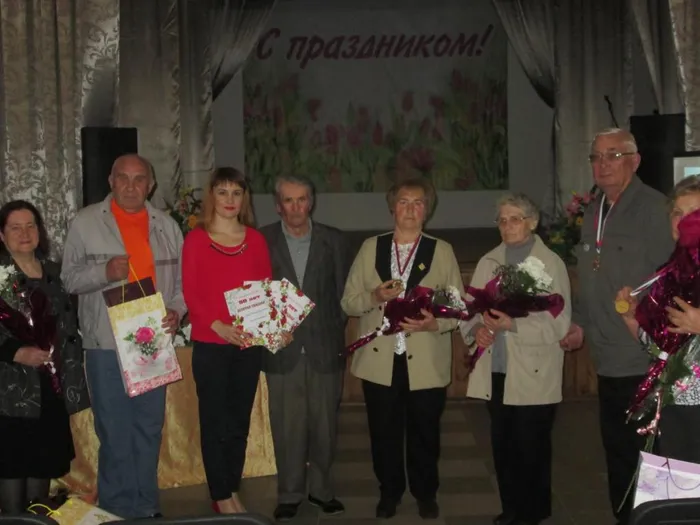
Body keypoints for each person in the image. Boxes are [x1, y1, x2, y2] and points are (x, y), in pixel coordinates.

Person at [558, 128, 674, 524]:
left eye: (613, 155)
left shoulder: (655, 209)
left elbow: (672, 278)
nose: (603, 164)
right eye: (596, 157)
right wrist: (579, 324)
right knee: (618, 451)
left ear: (635, 161)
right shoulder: (594, 210)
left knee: (651, 458)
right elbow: (592, 277)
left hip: (642, 356)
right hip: (606, 356)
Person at [61, 154, 186, 519]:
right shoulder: (85, 222)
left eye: (139, 179)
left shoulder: (166, 226)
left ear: (151, 184)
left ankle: (145, 505)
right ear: (111, 181)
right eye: (123, 178)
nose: (131, 186)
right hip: (105, 341)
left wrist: (176, 310)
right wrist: (104, 271)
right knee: (113, 429)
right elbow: (68, 279)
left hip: (152, 340)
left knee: (149, 427)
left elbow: (182, 285)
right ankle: (116, 507)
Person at [341, 178, 463, 520]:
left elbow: (457, 308)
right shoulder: (371, 248)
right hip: (379, 359)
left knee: (426, 431)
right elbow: (349, 302)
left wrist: (434, 324)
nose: (411, 209)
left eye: (418, 202)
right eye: (404, 202)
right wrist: (374, 296)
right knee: (383, 432)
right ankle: (389, 491)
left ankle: (425, 492)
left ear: (427, 209)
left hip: (425, 358)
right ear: (392, 208)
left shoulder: (442, 251)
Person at [182, 167, 289, 514]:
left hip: (247, 344)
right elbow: (191, 292)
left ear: (245, 198)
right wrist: (218, 326)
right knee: (214, 422)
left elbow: (265, 291)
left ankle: (230, 488)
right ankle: (221, 494)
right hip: (211, 343)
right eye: (223, 192)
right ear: (212, 196)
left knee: (238, 423)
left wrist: (277, 327)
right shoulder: (196, 239)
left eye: (236, 193)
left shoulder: (255, 240)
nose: (230, 199)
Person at [460, 194, 571, 525]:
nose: (508, 226)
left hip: (533, 369)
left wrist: (514, 324)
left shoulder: (550, 263)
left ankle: (532, 512)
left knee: (531, 447)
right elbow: (469, 310)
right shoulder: (488, 262)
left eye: (515, 219)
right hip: (496, 368)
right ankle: (510, 509)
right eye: (502, 220)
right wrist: (477, 330)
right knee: (503, 446)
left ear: (532, 222)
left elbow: (559, 323)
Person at [259, 175, 350, 521]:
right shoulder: (261, 240)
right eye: (288, 200)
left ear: (311, 202)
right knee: (287, 427)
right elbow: (253, 292)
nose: (296, 207)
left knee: (325, 427)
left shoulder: (335, 240)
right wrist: (272, 331)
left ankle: (322, 491)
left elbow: (344, 295)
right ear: (277, 205)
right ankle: (289, 493)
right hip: (281, 351)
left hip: (324, 348)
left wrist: (328, 329)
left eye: (302, 199)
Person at [0, 200, 90, 514]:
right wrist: (15, 352)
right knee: (12, 466)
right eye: (15, 227)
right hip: (11, 390)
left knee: (42, 464)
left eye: (30, 226)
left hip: (51, 385)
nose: (24, 233)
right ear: (2, 235)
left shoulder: (54, 272)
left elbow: (67, 326)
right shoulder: (1, 275)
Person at [616, 175, 700, 464]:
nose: (682, 220)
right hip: (674, 403)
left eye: (693, 212)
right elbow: (658, 347)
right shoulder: (669, 273)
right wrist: (632, 318)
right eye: (677, 213)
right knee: (679, 487)